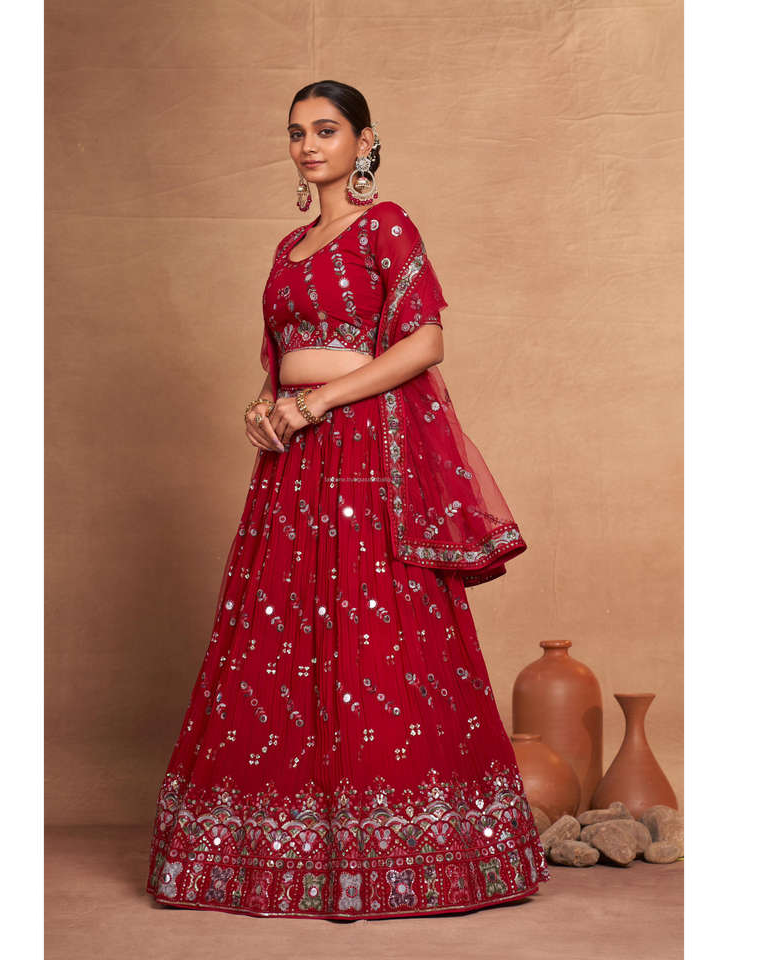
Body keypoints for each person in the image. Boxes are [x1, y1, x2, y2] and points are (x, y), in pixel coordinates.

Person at [145, 80, 550, 920]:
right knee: (285, 636)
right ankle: (292, 855)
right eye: (296, 132)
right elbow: (283, 354)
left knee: (373, 632)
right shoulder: (288, 246)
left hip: (365, 453)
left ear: (364, 141)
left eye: (326, 130)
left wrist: (317, 403)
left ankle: (397, 856)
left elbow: (424, 340)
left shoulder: (386, 225)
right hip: (293, 461)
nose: (308, 145)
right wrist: (266, 406)